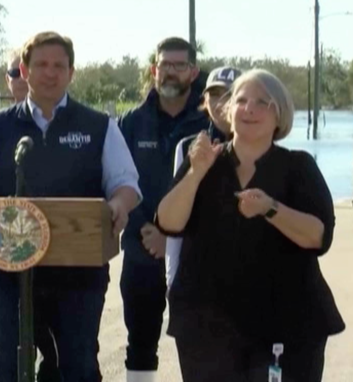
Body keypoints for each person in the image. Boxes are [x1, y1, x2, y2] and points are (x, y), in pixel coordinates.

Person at [0, 31, 141, 382]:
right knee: (6, 369)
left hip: (79, 274)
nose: (50, 73)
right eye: (40, 64)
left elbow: (126, 184)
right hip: (9, 271)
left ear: (71, 72)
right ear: (24, 71)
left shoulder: (99, 126)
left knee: (76, 369)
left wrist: (118, 204)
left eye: (59, 65)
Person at [156, 69, 345, 381]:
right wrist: (195, 175)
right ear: (228, 112)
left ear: (279, 115)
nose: (249, 109)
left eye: (262, 102)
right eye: (241, 101)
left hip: (286, 325)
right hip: (207, 326)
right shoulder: (204, 162)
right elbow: (168, 222)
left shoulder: (298, 167)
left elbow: (317, 236)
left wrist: (271, 208)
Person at [115, 37, 208, 382]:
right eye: (164, 65)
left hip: (195, 254)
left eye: (179, 65)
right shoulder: (130, 123)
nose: (170, 72)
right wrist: (148, 232)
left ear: (193, 71)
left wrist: (173, 237)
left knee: (201, 343)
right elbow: (118, 181)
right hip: (142, 251)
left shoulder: (208, 124)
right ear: (154, 70)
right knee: (139, 345)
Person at [0, 49, 61, 382]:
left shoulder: (82, 123)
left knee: (62, 359)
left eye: (21, 71)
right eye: (14, 73)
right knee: (3, 358)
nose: (19, 78)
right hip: (5, 262)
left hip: (64, 266)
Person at [165, 66, 242, 289]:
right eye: (214, 95)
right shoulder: (188, 147)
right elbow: (175, 223)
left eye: (230, 94)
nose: (221, 102)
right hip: (199, 271)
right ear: (204, 101)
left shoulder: (263, 146)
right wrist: (172, 277)